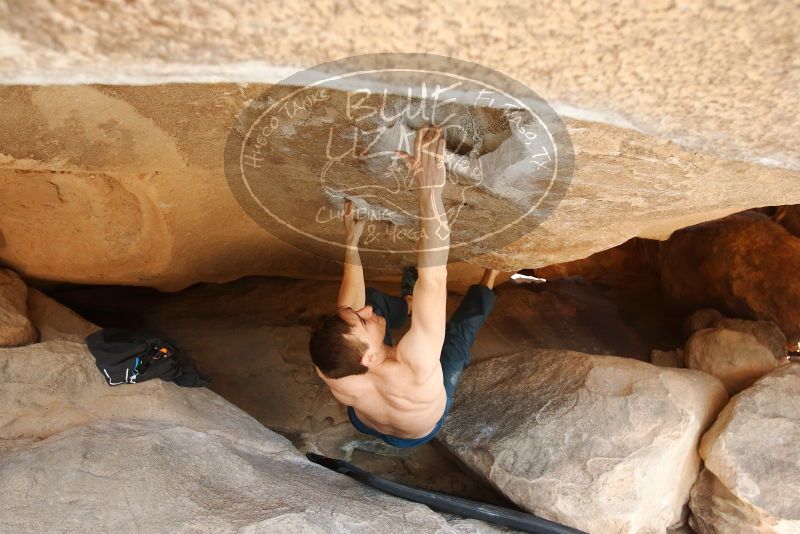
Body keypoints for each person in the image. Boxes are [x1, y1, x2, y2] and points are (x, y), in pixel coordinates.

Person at [309, 126, 499, 448]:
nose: (366, 311)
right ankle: (490, 279)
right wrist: (429, 189)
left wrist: (352, 246)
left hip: (364, 420)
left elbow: (351, 309)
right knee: (455, 339)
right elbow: (434, 279)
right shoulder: (417, 366)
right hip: (417, 432)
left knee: (367, 300)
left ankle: (407, 307)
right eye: (364, 320)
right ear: (368, 359)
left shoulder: (331, 368)